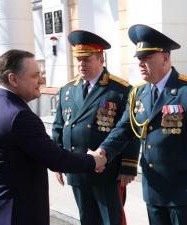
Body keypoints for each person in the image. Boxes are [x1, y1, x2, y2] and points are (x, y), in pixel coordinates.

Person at [96, 24, 187, 225]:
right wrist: (103, 151)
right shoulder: (139, 93)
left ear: (165, 57)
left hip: (185, 192)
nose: (141, 63)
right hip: (154, 190)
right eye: (139, 59)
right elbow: (124, 128)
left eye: (147, 58)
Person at [0, 49, 106, 225]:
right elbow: (56, 159)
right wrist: (93, 160)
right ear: (13, 79)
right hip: (16, 214)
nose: (41, 80)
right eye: (34, 76)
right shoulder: (19, 116)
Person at [52, 30, 140, 225]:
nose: (81, 65)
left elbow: (130, 130)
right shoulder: (68, 90)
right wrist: (57, 160)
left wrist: (129, 166)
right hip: (76, 167)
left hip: (106, 172)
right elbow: (59, 126)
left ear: (101, 59)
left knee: (111, 220)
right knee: (87, 219)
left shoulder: (120, 90)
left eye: (86, 59)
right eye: (78, 60)